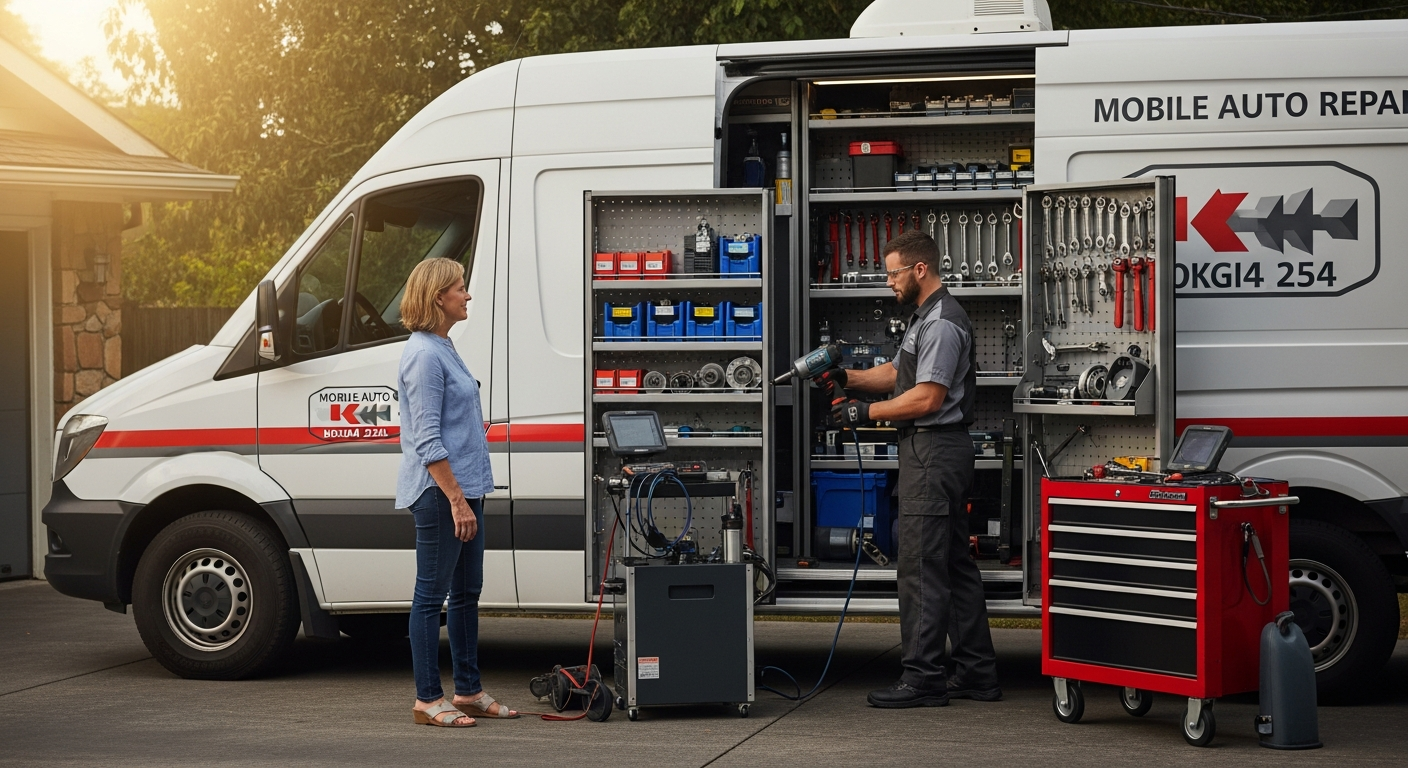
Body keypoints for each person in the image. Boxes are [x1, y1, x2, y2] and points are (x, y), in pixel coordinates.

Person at [821, 230, 1001, 708]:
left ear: (919, 270)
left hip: (933, 451)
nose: (888, 283)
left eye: (893, 273)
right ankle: (977, 673)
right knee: (954, 565)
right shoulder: (926, 318)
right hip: (936, 452)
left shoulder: (941, 322)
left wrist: (866, 413)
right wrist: (848, 379)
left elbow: (927, 397)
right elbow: (897, 373)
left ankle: (922, 678)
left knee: (920, 567)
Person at [398, 257, 519, 727]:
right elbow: (427, 439)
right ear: (437, 298)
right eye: (460, 288)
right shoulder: (424, 354)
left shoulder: (444, 346)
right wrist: (455, 499)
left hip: (467, 488)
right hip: (440, 493)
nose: (467, 295)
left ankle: (467, 690)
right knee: (430, 597)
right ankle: (428, 699)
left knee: (467, 592)